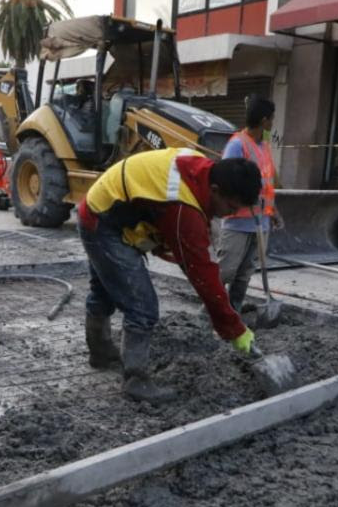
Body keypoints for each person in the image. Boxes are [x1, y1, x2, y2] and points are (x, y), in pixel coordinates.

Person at [78, 147, 263, 402]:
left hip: (104, 209)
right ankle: (135, 380)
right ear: (216, 190)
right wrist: (234, 328)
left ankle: (100, 353)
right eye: (230, 207)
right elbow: (203, 276)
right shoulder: (182, 206)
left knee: (105, 290)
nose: (229, 214)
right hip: (104, 223)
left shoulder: (200, 170)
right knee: (142, 306)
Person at [217, 97, 284, 312]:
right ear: (264, 120)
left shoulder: (264, 146)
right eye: (272, 119)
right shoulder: (238, 145)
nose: (273, 123)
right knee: (226, 271)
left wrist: (273, 210)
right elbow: (225, 181)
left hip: (260, 222)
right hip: (238, 222)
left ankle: (233, 311)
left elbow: (267, 182)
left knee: (245, 272)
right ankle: (212, 310)